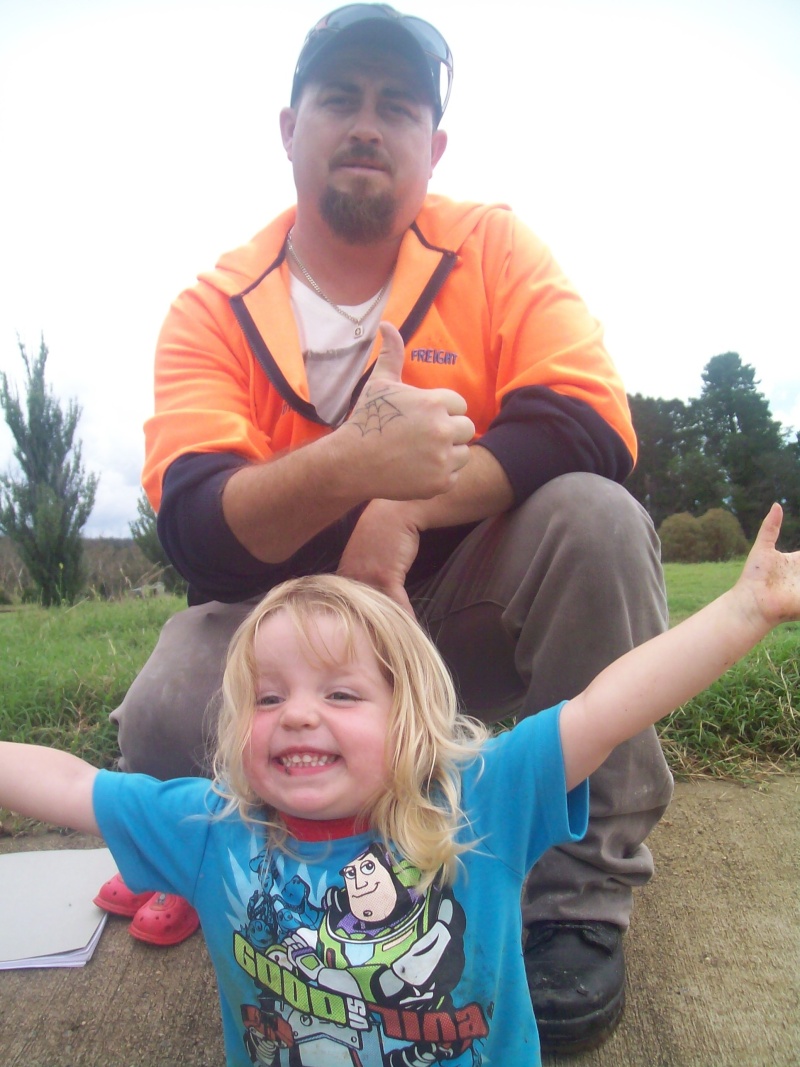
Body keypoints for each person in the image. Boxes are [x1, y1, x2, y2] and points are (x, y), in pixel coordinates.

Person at [109, 3, 673, 1050]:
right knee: (164, 712)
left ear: (434, 144)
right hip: (286, 633)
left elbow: (589, 423)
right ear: (290, 127)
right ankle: (274, 882)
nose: (367, 123)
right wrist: (351, 460)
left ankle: (577, 899)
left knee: (594, 521)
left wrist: (398, 505)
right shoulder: (213, 305)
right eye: (339, 98)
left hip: (461, 608)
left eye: (397, 105)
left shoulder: (492, 245)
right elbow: (193, 525)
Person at [3, 505, 799, 1065]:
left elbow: (605, 706)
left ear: (409, 717)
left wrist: (745, 611)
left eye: (341, 694)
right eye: (269, 696)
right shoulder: (214, 829)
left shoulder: (479, 798)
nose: (297, 717)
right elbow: (73, 784)